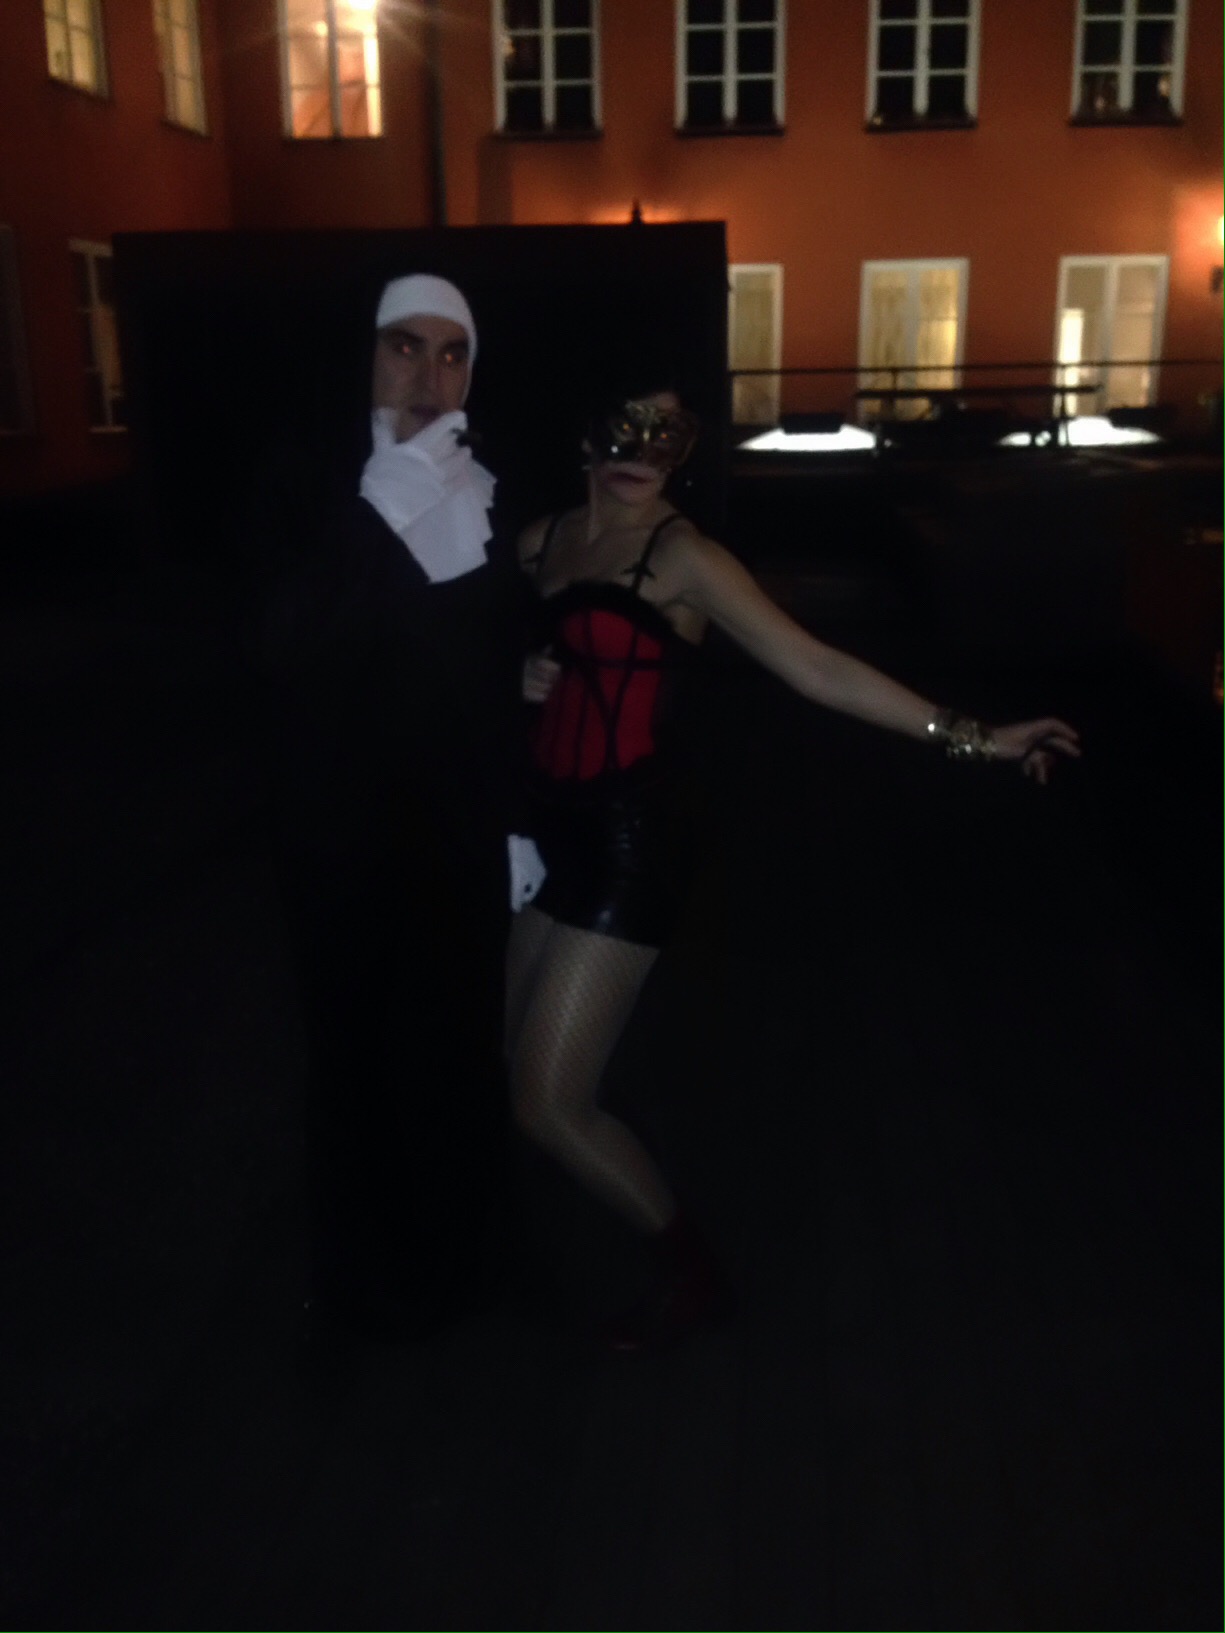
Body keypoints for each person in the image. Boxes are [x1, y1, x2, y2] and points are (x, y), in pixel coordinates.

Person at [505, 384, 1081, 1353]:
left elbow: (814, 667)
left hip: (630, 843)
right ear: (585, 436)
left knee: (548, 1100)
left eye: (666, 439)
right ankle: (558, 1242)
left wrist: (976, 736)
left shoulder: (683, 556)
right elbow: (494, 645)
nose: (642, 456)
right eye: (624, 432)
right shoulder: (539, 541)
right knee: (518, 1070)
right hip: (546, 833)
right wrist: (520, 673)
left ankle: (691, 1273)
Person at [258, 274, 537, 1342]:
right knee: (353, 1061)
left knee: (457, 1055)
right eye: (403, 346)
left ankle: (459, 1273)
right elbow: (287, 648)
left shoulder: (485, 492)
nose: (427, 375)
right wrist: (381, 504)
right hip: (340, 841)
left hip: (456, 834)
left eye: (450, 352)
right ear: (365, 354)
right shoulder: (309, 488)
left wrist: (513, 810)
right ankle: (359, 1287)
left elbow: (483, 661)